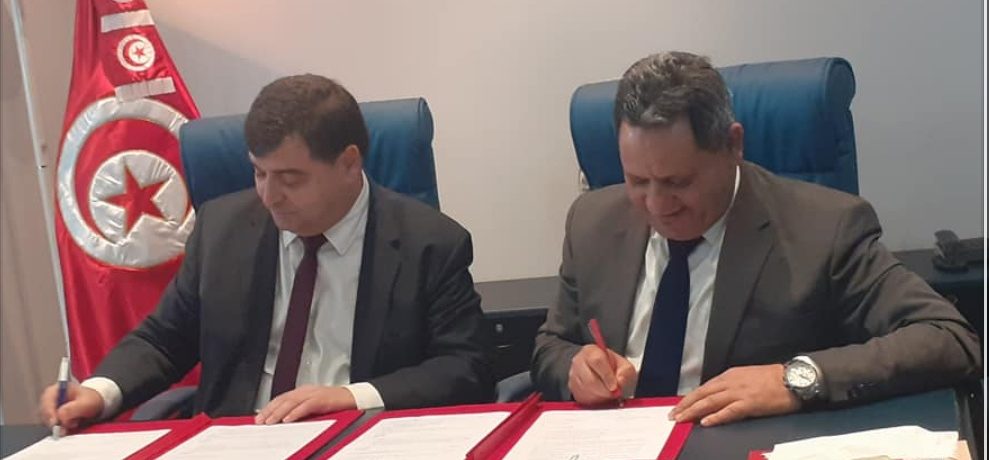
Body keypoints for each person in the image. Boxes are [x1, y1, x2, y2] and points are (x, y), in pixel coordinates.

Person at [532, 51, 980, 427]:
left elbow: (947, 338)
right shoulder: (591, 222)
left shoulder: (824, 228)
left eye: (677, 182)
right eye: (637, 181)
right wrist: (576, 369)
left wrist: (796, 378)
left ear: (733, 145)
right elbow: (551, 346)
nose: (656, 205)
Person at [40, 74, 493, 429]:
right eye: (259, 173)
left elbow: (465, 366)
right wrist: (99, 391)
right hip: (241, 438)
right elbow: (164, 339)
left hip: (362, 438)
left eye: (290, 179)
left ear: (349, 163)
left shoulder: (429, 243)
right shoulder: (222, 229)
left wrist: (352, 397)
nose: (269, 196)